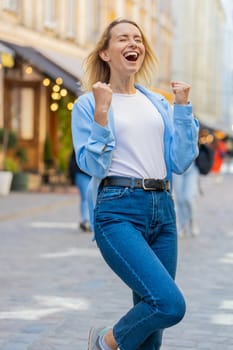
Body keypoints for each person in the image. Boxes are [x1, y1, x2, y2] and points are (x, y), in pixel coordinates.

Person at [72, 18, 199, 350]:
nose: (133, 43)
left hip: (163, 211)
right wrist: (102, 114)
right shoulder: (88, 103)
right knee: (168, 304)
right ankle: (105, 342)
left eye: (138, 39)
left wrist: (182, 109)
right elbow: (91, 165)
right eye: (123, 38)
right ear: (105, 53)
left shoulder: (157, 103)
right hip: (118, 210)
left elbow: (182, 161)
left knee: (152, 330)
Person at [173, 161, 200, 237]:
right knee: (180, 199)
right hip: (176, 167)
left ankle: (193, 221)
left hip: (192, 167)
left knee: (189, 197)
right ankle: (183, 225)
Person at [68, 149, 91, 232]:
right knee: (85, 197)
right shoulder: (80, 140)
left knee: (90, 198)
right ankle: (86, 220)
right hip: (81, 173)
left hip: (93, 174)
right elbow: (73, 160)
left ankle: (89, 221)